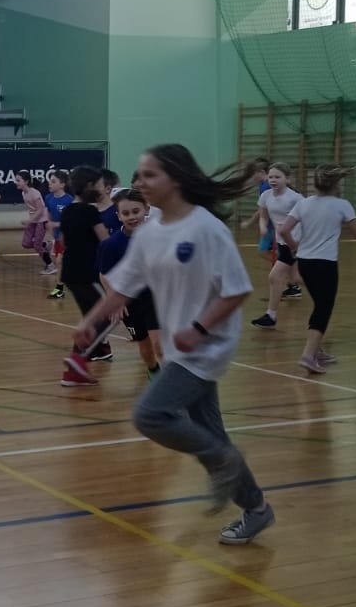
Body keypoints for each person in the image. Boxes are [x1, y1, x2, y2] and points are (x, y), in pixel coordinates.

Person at [74, 145, 273, 545]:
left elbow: (237, 291)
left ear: (176, 179)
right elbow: (125, 286)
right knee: (209, 432)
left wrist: (198, 329)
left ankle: (223, 461)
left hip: (208, 344)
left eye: (150, 175)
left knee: (151, 414)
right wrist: (90, 320)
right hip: (180, 344)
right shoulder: (150, 231)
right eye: (139, 174)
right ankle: (256, 509)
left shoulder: (206, 228)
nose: (140, 182)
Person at [277, 163, 356, 374]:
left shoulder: (304, 204)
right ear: (336, 185)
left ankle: (317, 351)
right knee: (323, 308)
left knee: (319, 304)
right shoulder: (342, 205)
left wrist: (294, 247)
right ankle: (308, 355)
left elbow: (283, 230)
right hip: (325, 263)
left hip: (305, 262)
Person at [57, 166, 114, 386]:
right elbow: (106, 243)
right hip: (88, 272)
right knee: (108, 315)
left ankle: (73, 372)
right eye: (99, 184)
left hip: (70, 271)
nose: (102, 188)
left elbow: (64, 242)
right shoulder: (90, 212)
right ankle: (79, 358)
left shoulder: (68, 211)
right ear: (89, 186)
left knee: (90, 318)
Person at [97, 190, 162, 376]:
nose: (132, 217)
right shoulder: (111, 245)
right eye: (126, 213)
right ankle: (153, 371)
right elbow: (104, 275)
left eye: (136, 211)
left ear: (146, 210)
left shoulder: (159, 237)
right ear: (118, 216)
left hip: (155, 299)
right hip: (131, 304)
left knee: (160, 346)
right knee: (146, 347)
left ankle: (167, 386)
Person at [248, 163, 302, 330]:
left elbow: (306, 219)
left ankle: (271, 316)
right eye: (271, 177)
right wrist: (263, 228)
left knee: (274, 276)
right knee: (295, 278)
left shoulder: (296, 199)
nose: (273, 180)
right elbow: (263, 217)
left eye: (277, 177)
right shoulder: (266, 196)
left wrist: (297, 242)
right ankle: (322, 286)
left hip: (295, 241)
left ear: (287, 179)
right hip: (281, 241)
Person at [15, 171, 53, 274]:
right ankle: (45, 245)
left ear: (26, 181)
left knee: (37, 245)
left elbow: (40, 210)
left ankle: (51, 266)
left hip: (41, 220)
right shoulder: (24, 193)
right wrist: (30, 220)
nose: (16, 182)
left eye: (18, 180)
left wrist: (29, 221)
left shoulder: (34, 193)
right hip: (33, 220)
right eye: (16, 180)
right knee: (26, 243)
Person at [44, 170, 73, 289]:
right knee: (59, 261)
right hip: (57, 237)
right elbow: (49, 216)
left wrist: (56, 224)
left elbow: (72, 221)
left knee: (60, 261)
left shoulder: (69, 200)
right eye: (49, 181)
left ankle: (59, 288)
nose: (50, 184)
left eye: (53, 181)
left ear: (62, 184)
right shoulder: (49, 198)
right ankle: (60, 287)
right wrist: (50, 234)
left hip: (69, 236)